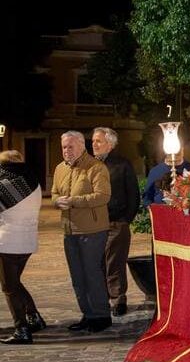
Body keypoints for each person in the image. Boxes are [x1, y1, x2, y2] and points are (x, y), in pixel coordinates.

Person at [52, 131, 113, 333]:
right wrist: (55, 201)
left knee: (92, 273)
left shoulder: (96, 167)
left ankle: (102, 316)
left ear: (81, 146)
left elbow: (103, 196)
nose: (66, 151)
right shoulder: (60, 168)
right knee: (77, 275)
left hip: (93, 229)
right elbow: (54, 193)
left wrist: (73, 201)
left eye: (70, 147)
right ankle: (88, 314)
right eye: (64, 147)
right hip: (69, 230)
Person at [92, 128, 139, 317]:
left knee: (114, 263)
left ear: (110, 145)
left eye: (98, 141)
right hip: (93, 225)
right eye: (93, 141)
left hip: (116, 223)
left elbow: (133, 195)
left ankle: (118, 299)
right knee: (96, 263)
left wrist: (125, 219)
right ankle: (101, 299)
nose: (94, 144)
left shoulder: (122, 165)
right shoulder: (88, 165)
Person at [0, 151, 45, 344]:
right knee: (15, 282)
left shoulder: (4, 183)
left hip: (8, 242)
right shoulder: (32, 181)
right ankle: (34, 317)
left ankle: (22, 330)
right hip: (27, 241)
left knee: (9, 287)